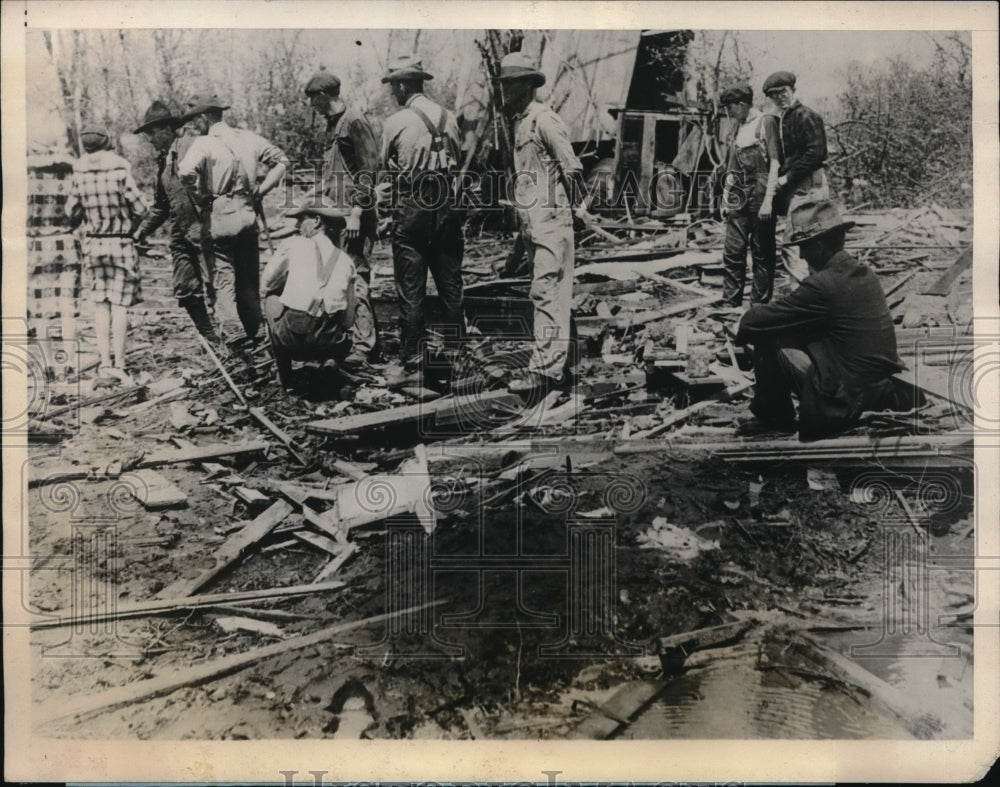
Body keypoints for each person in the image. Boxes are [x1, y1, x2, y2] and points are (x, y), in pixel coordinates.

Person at [735, 199, 911, 442]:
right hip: (883, 393)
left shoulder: (821, 285)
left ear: (818, 245)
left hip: (845, 402)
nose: (802, 255)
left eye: (803, 247)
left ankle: (774, 418)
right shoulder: (865, 273)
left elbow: (751, 323)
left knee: (769, 336)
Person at [494, 51, 592, 394]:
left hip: (552, 220)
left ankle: (547, 372)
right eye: (503, 84)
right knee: (549, 292)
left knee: (545, 292)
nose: (504, 91)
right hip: (534, 223)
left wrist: (577, 211)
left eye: (510, 84)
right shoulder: (520, 123)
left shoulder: (543, 119)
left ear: (526, 85)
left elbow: (573, 167)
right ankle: (563, 362)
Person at [178, 90, 289, 346]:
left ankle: (234, 334)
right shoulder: (248, 138)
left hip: (220, 214)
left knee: (223, 275)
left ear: (205, 117)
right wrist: (262, 190)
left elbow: (185, 173)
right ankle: (257, 330)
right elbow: (282, 160)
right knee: (249, 275)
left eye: (197, 119)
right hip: (248, 213)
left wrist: (199, 196)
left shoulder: (204, 143)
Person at [379, 55, 465, 386]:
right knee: (450, 287)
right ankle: (456, 358)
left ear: (402, 86)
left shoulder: (396, 122)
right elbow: (455, 162)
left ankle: (413, 362)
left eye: (393, 88)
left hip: (412, 208)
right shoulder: (450, 117)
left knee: (411, 289)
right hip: (445, 206)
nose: (391, 94)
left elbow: (385, 167)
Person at [303, 67, 380, 365]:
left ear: (324, 96)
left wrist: (357, 213)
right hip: (334, 213)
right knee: (335, 278)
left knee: (357, 277)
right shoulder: (332, 124)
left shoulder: (355, 121)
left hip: (353, 215)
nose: (312, 107)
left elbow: (369, 170)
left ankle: (364, 346)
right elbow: (332, 171)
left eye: (313, 100)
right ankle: (345, 341)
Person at [65, 124, 148, 383]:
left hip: (93, 244)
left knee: (100, 305)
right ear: (106, 142)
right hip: (121, 243)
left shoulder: (78, 173)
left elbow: (71, 213)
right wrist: (130, 225)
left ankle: (104, 362)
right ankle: (120, 364)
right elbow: (142, 208)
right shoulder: (119, 170)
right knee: (120, 305)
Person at [132, 100, 218, 341]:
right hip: (181, 234)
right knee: (185, 288)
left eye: (153, 133)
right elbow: (161, 206)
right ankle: (210, 338)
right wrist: (141, 232)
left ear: (168, 130)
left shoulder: (193, 148)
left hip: (205, 229)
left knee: (216, 287)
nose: (150, 139)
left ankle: (230, 338)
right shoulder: (163, 162)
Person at [261, 202, 357, 389]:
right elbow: (348, 320)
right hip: (330, 341)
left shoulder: (293, 244)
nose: (297, 226)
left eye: (301, 220)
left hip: (294, 339)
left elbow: (267, 283)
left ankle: (285, 377)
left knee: (271, 295)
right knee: (338, 310)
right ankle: (331, 361)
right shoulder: (346, 260)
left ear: (317, 221)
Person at [718, 85, 780, 306]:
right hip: (739, 194)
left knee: (762, 253)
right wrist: (726, 199)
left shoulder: (767, 122)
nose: (729, 113)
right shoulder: (737, 128)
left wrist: (769, 201)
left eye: (730, 108)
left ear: (742, 104)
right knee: (733, 250)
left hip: (761, 190)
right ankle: (730, 302)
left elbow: (775, 163)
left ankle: (758, 306)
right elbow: (732, 168)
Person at [762, 71, 829, 215]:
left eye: (783, 92)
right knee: (798, 231)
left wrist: (788, 177)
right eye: (774, 95)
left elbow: (816, 153)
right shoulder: (781, 118)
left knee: (804, 230)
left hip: (810, 182)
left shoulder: (805, 115)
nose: (779, 98)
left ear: (793, 91)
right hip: (795, 183)